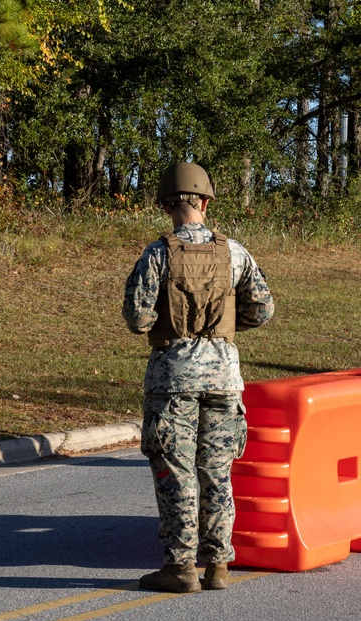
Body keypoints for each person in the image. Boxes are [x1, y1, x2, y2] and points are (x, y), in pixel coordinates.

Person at [123, 163, 274, 593]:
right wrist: (225, 333)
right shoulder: (236, 253)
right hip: (225, 376)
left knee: (176, 471)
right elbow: (262, 310)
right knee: (217, 471)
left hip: (172, 379)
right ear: (205, 202)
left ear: (168, 205)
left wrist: (165, 325)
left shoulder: (157, 254)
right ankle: (219, 565)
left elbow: (137, 317)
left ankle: (180, 567)